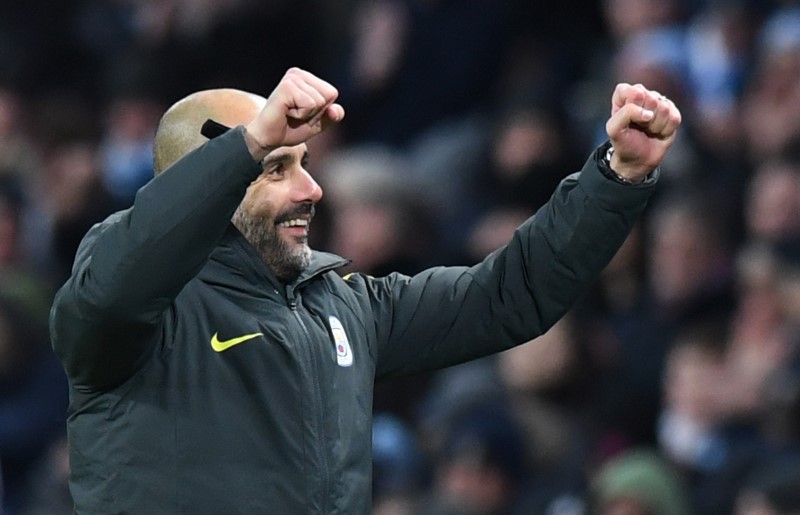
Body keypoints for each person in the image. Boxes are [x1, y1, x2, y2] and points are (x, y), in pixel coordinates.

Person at [49, 67, 681, 513]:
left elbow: (506, 296)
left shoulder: (344, 302)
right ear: (205, 179)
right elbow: (111, 289)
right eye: (276, 169)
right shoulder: (134, 316)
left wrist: (614, 178)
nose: (311, 191)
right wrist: (247, 143)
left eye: (305, 165)